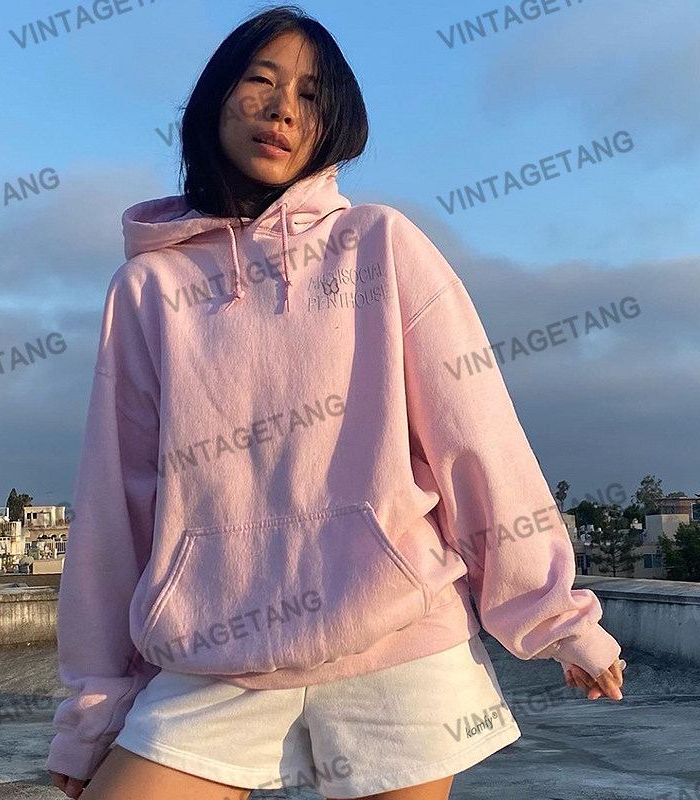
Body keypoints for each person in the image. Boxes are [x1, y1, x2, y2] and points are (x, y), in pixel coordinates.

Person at [47, 6, 626, 800]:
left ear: (334, 125)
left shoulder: (381, 245)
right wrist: (93, 714)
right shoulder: (148, 287)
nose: (284, 109)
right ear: (216, 98)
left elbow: (475, 438)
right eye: (261, 80)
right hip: (215, 657)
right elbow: (115, 505)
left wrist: (558, 618)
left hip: (398, 647)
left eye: (312, 97)